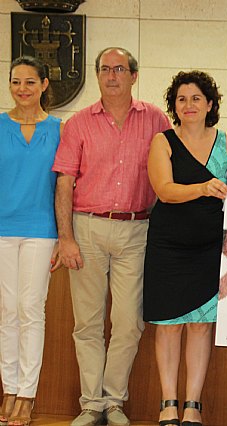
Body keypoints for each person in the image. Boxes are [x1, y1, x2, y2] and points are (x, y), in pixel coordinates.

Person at [52, 47, 171, 426]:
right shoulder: (78, 123)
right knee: (87, 323)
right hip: (87, 228)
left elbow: (173, 168)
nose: (111, 76)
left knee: (128, 321)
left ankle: (114, 402)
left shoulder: (155, 119)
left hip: (137, 230)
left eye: (119, 69)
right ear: (98, 75)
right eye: (105, 69)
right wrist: (65, 237)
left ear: (134, 76)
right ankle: (91, 404)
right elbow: (64, 182)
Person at [143, 70, 227, 426]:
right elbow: (165, 191)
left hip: (212, 248)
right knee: (168, 326)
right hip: (169, 247)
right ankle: (168, 403)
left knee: (200, 325)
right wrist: (203, 187)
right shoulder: (162, 141)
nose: (189, 104)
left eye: (196, 98)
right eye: (181, 99)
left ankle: (193, 405)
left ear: (210, 104)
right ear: (174, 106)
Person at [0, 56, 62, 426]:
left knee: (30, 308)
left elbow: (66, 185)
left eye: (29, 82)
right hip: (1, 229)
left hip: (42, 229)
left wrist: (65, 237)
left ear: (43, 85)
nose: (22, 89)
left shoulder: (59, 129)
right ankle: (9, 388)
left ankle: (27, 393)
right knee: (7, 309)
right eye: (15, 82)